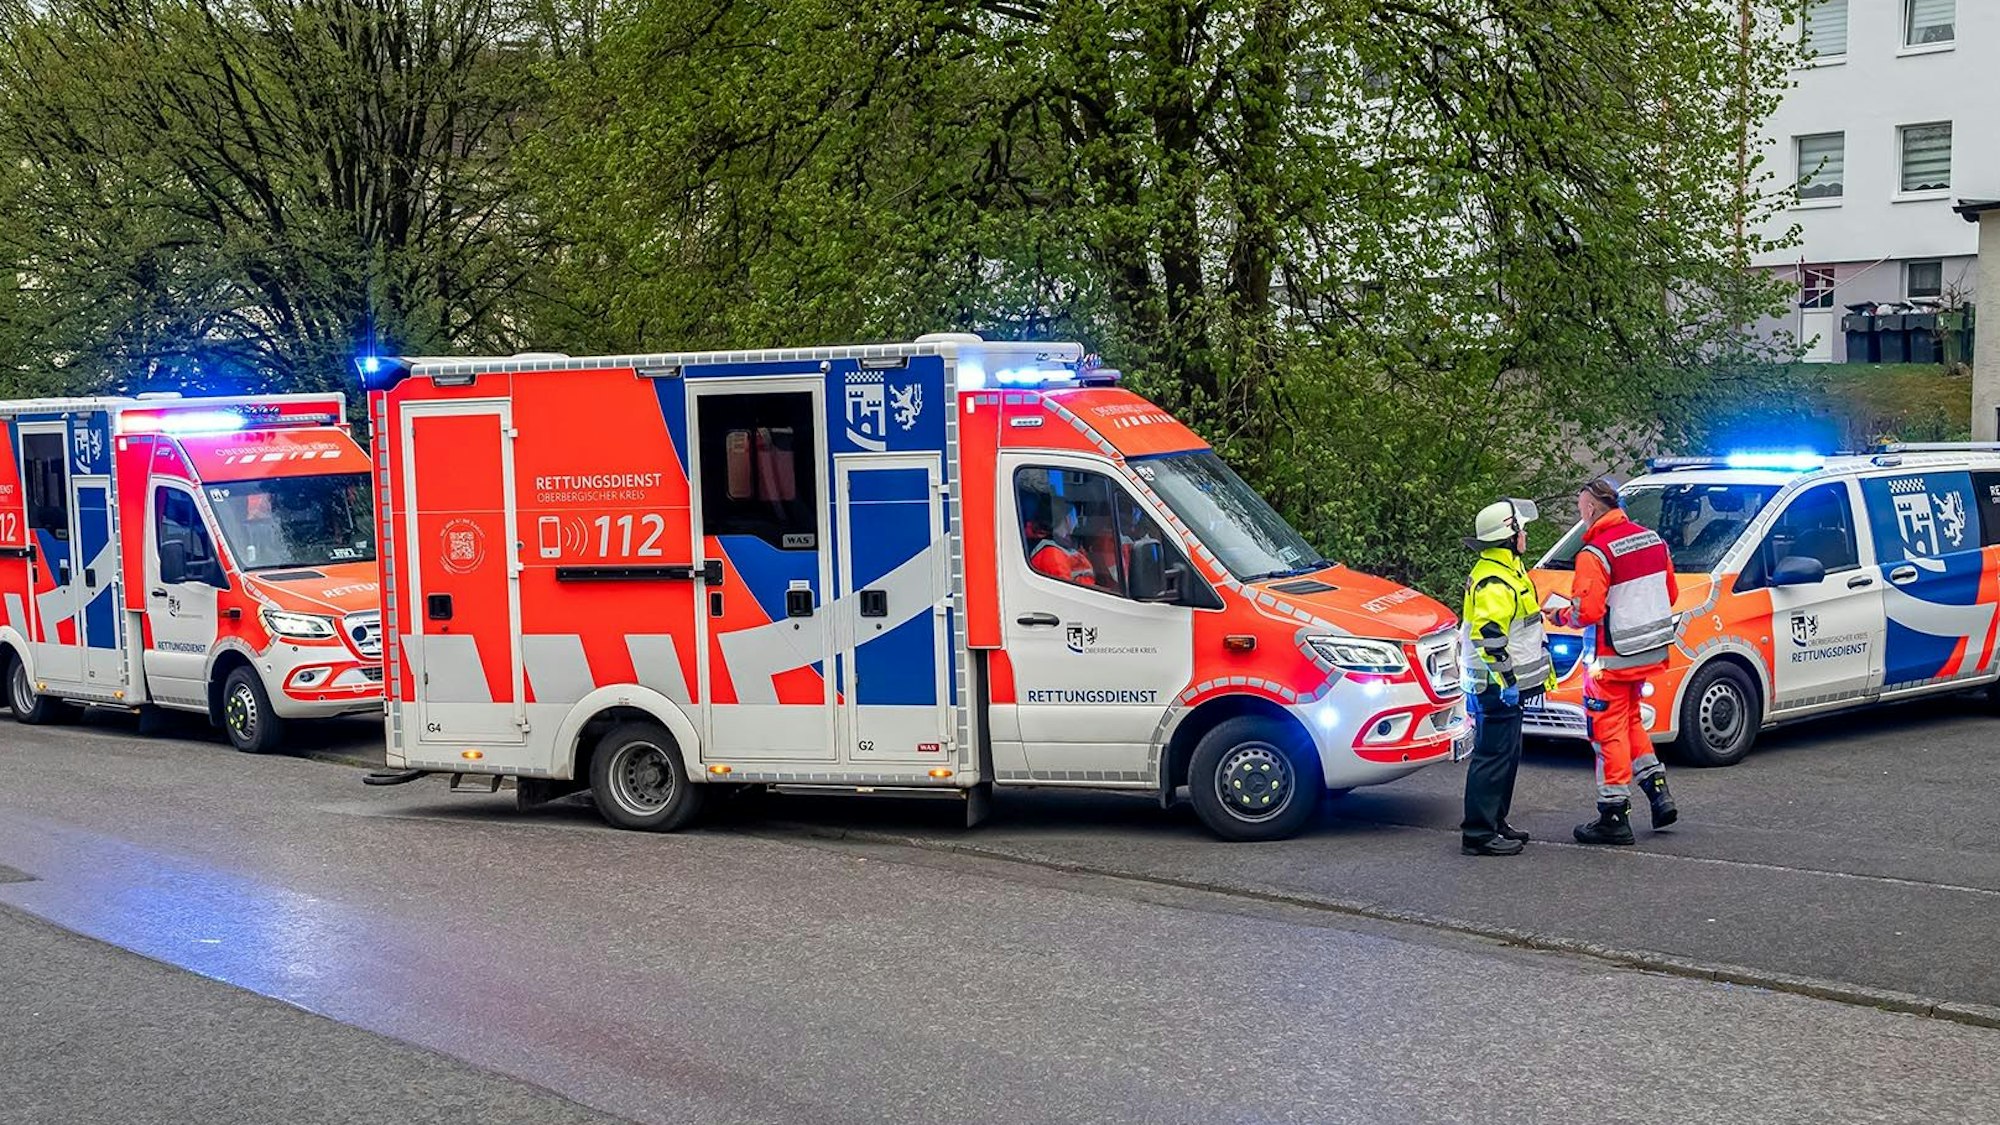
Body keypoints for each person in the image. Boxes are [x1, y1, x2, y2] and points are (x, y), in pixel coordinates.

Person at [1551, 476, 1682, 845]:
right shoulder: (1652, 540)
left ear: (1591, 508)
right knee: (1631, 723)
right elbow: (1668, 593)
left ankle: (1613, 815)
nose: (1581, 518)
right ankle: (1658, 793)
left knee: (1606, 733)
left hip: (1611, 659)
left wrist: (1561, 615)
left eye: (1581, 511)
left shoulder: (1594, 553)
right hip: (1648, 653)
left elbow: (1587, 612)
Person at [1459, 498, 1558, 857]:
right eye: (1521, 529)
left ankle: (1495, 822)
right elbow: (1489, 636)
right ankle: (1479, 833)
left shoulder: (1509, 571)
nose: (1525, 534)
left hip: (1502, 686)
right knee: (1492, 756)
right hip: (1495, 687)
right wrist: (1508, 682)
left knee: (1506, 755)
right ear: (1508, 535)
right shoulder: (1495, 581)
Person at [1028, 500, 1099, 587]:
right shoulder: (1051, 553)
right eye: (1074, 516)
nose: (1076, 522)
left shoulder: (1062, 547)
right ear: (1067, 519)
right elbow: (1067, 590)